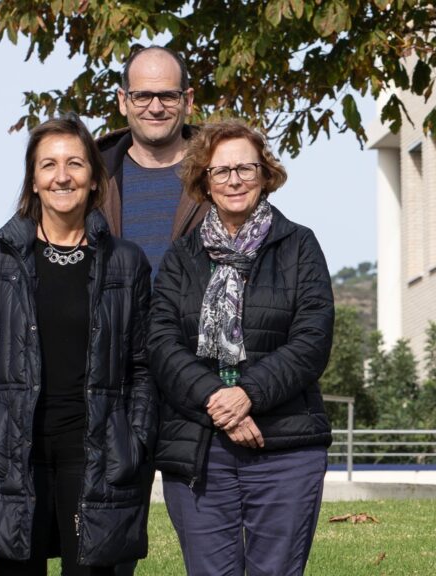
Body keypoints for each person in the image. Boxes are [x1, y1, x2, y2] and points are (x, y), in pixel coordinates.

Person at [0, 116, 156, 575]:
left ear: (94, 177)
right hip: (14, 453)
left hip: (95, 452)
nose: (62, 176)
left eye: (75, 163)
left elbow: (143, 366)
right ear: (33, 180)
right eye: (49, 165)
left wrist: (135, 440)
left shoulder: (125, 262)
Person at [149, 120, 335, 575]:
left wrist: (247, 394)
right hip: (200, 446)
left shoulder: (300, 246)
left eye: (245, 169)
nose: (234, 180)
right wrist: (219, 402)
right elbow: (161, 343)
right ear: (204, 181)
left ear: (265, 174)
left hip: (285, 444)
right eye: (221, 171)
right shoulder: (181, 257)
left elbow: (312, 339)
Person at [99, 45, 209, 274]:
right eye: (142, 96)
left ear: (188, 101)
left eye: (168, 96)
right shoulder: (92, 177)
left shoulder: (221, 173)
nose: (156, 108)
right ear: (123, 101)